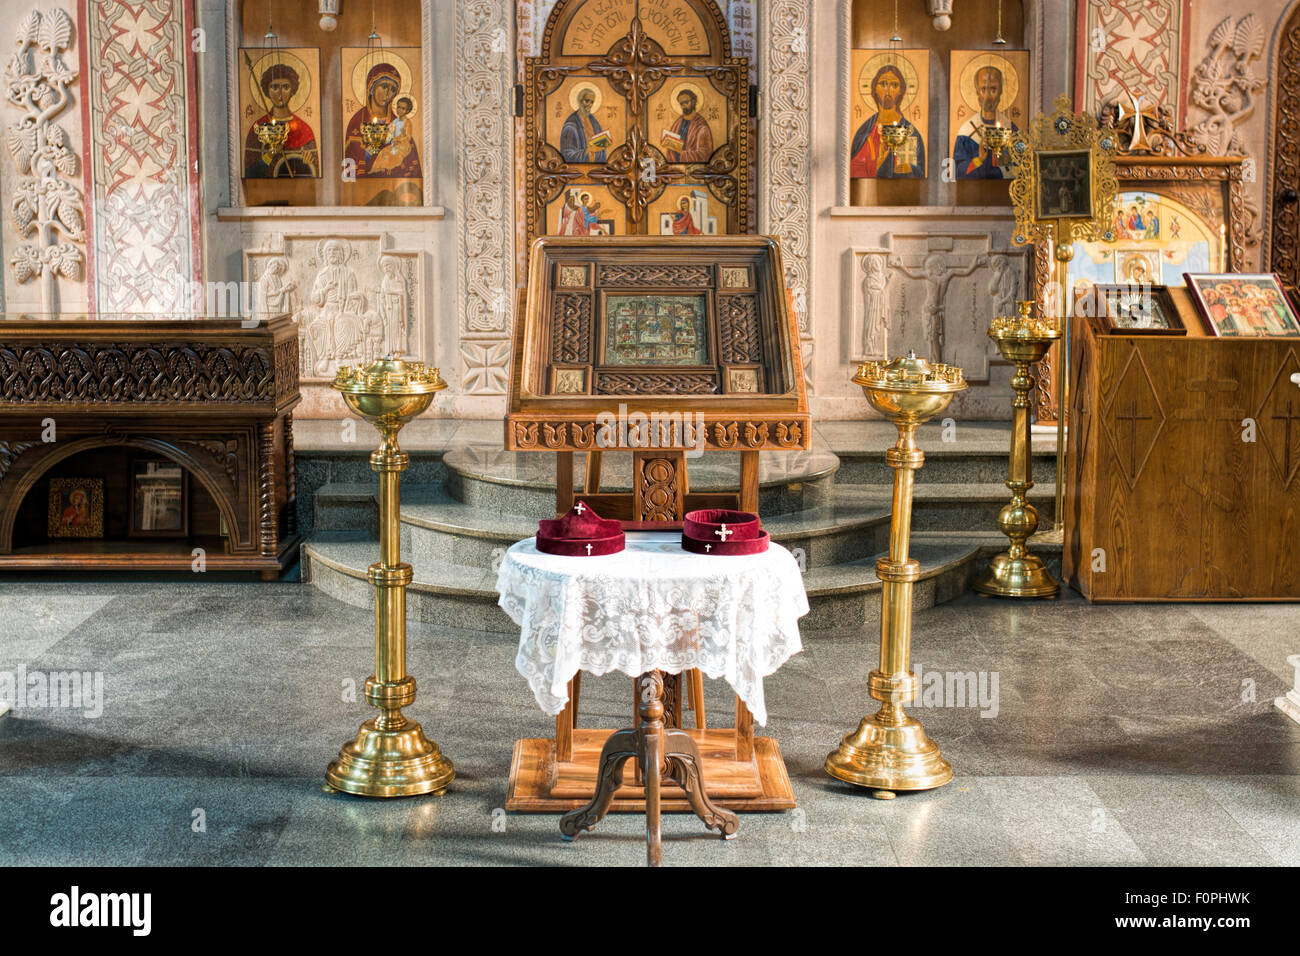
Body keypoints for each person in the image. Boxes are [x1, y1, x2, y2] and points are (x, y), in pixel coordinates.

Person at [344, 62, 422, 178]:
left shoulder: (399, 121)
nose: (387, 93)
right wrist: (368, 153)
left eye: (392, 89)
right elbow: (351, 156)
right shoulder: (357, 120)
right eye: (384, 86)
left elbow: (411, 161)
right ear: (371, 87)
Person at [244, 63, 319, 178]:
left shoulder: (304, 129)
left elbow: (314, 173)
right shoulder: (258, 127)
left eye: (285, 87)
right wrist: (268, 156)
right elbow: (249, 173)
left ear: (292, 90)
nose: (280, 93)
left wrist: (307, 165)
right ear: (267, 91)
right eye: (274, 87)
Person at [850, 64, 925, 178]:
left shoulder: (908, 132)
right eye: (883, 84)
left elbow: (917, 175)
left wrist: (907, 168)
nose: (888, 89)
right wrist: (876, 165)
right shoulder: (865, 131)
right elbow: (850, 171)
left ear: (901, 90)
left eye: (894, 85)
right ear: (875, 88)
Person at [952, 66, 1017, 179]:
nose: (988, 97)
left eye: (993, 89)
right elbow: (958, 170)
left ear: (1001, 91)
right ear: (977, 91)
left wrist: (1003, 158)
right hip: (975, 192)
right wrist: (979, 160)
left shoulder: (1011, 128)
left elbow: (1022, 164)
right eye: (983, 89)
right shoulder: (966, 132)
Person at [662, 89, 714, 163]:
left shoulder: (701, 125)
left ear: (693, 101)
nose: (684, 106)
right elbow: (670, 149)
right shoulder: (678, 123)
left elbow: (705, 154)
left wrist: (684, 154)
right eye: (681, 104)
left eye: (686, 102)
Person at [560, 87, 608, 163]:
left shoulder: (594, 122)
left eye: (592, 102)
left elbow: (602, 148)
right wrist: (587, 152)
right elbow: (567, 155)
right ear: (580, 101)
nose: (589, 104)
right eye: (587, 101)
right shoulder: (571, 124)